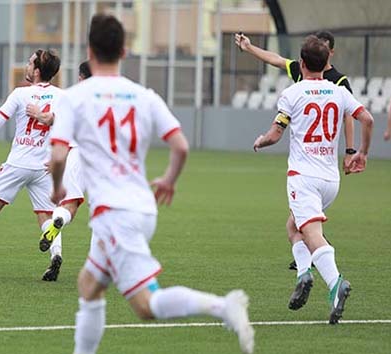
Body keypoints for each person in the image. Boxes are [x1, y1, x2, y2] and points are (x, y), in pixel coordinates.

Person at [49, 14, 254, 354]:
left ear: (89, 50)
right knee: (89, 286)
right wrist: (169, 180)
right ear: (124, 51)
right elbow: (181, 145)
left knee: (146, 304)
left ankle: (224, 307)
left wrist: (57, 188)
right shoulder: (143, 96)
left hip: (116, 214)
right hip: (139, 206)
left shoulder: (74, 97)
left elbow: (57, 157)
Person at [253, 36, 373, 324]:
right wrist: (361, 154)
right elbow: (367, 119)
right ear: (326, 63)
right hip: (330, 180)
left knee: (311, 233)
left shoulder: (292, 93)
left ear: (302, 63)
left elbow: (275, 133)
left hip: (303, 177)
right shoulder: (338, 91)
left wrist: (261, 141)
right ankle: (304, 274)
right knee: (293, 226)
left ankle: (335, 284)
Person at [235, 31, 357, 271]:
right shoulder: (303, 70)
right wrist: (249, 48)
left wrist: (351, 150)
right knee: (296, 221)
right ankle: (308, 258)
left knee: (300, 221)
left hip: (316, 164)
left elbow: (349, 115)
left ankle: (316, 256)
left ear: (330, 52)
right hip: (310, 161)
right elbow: (276, 59)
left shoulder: (339, 82)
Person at [0, 49, 65, 281]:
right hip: (44, 166)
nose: (26, 66)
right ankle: (55, 256)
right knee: (46, 216)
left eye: (29, 63)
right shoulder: (61, 96)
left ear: (37, 71)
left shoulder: (20, 93)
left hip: (18, 162)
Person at [25, 61, 92, 259]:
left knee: (69, 204)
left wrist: (38, 114)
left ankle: (58, 219)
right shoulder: (112, 97)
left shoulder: (73, 98)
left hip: (76, 153)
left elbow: (51, 120)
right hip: (104, 158)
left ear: (81, 78)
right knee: (101, 211)